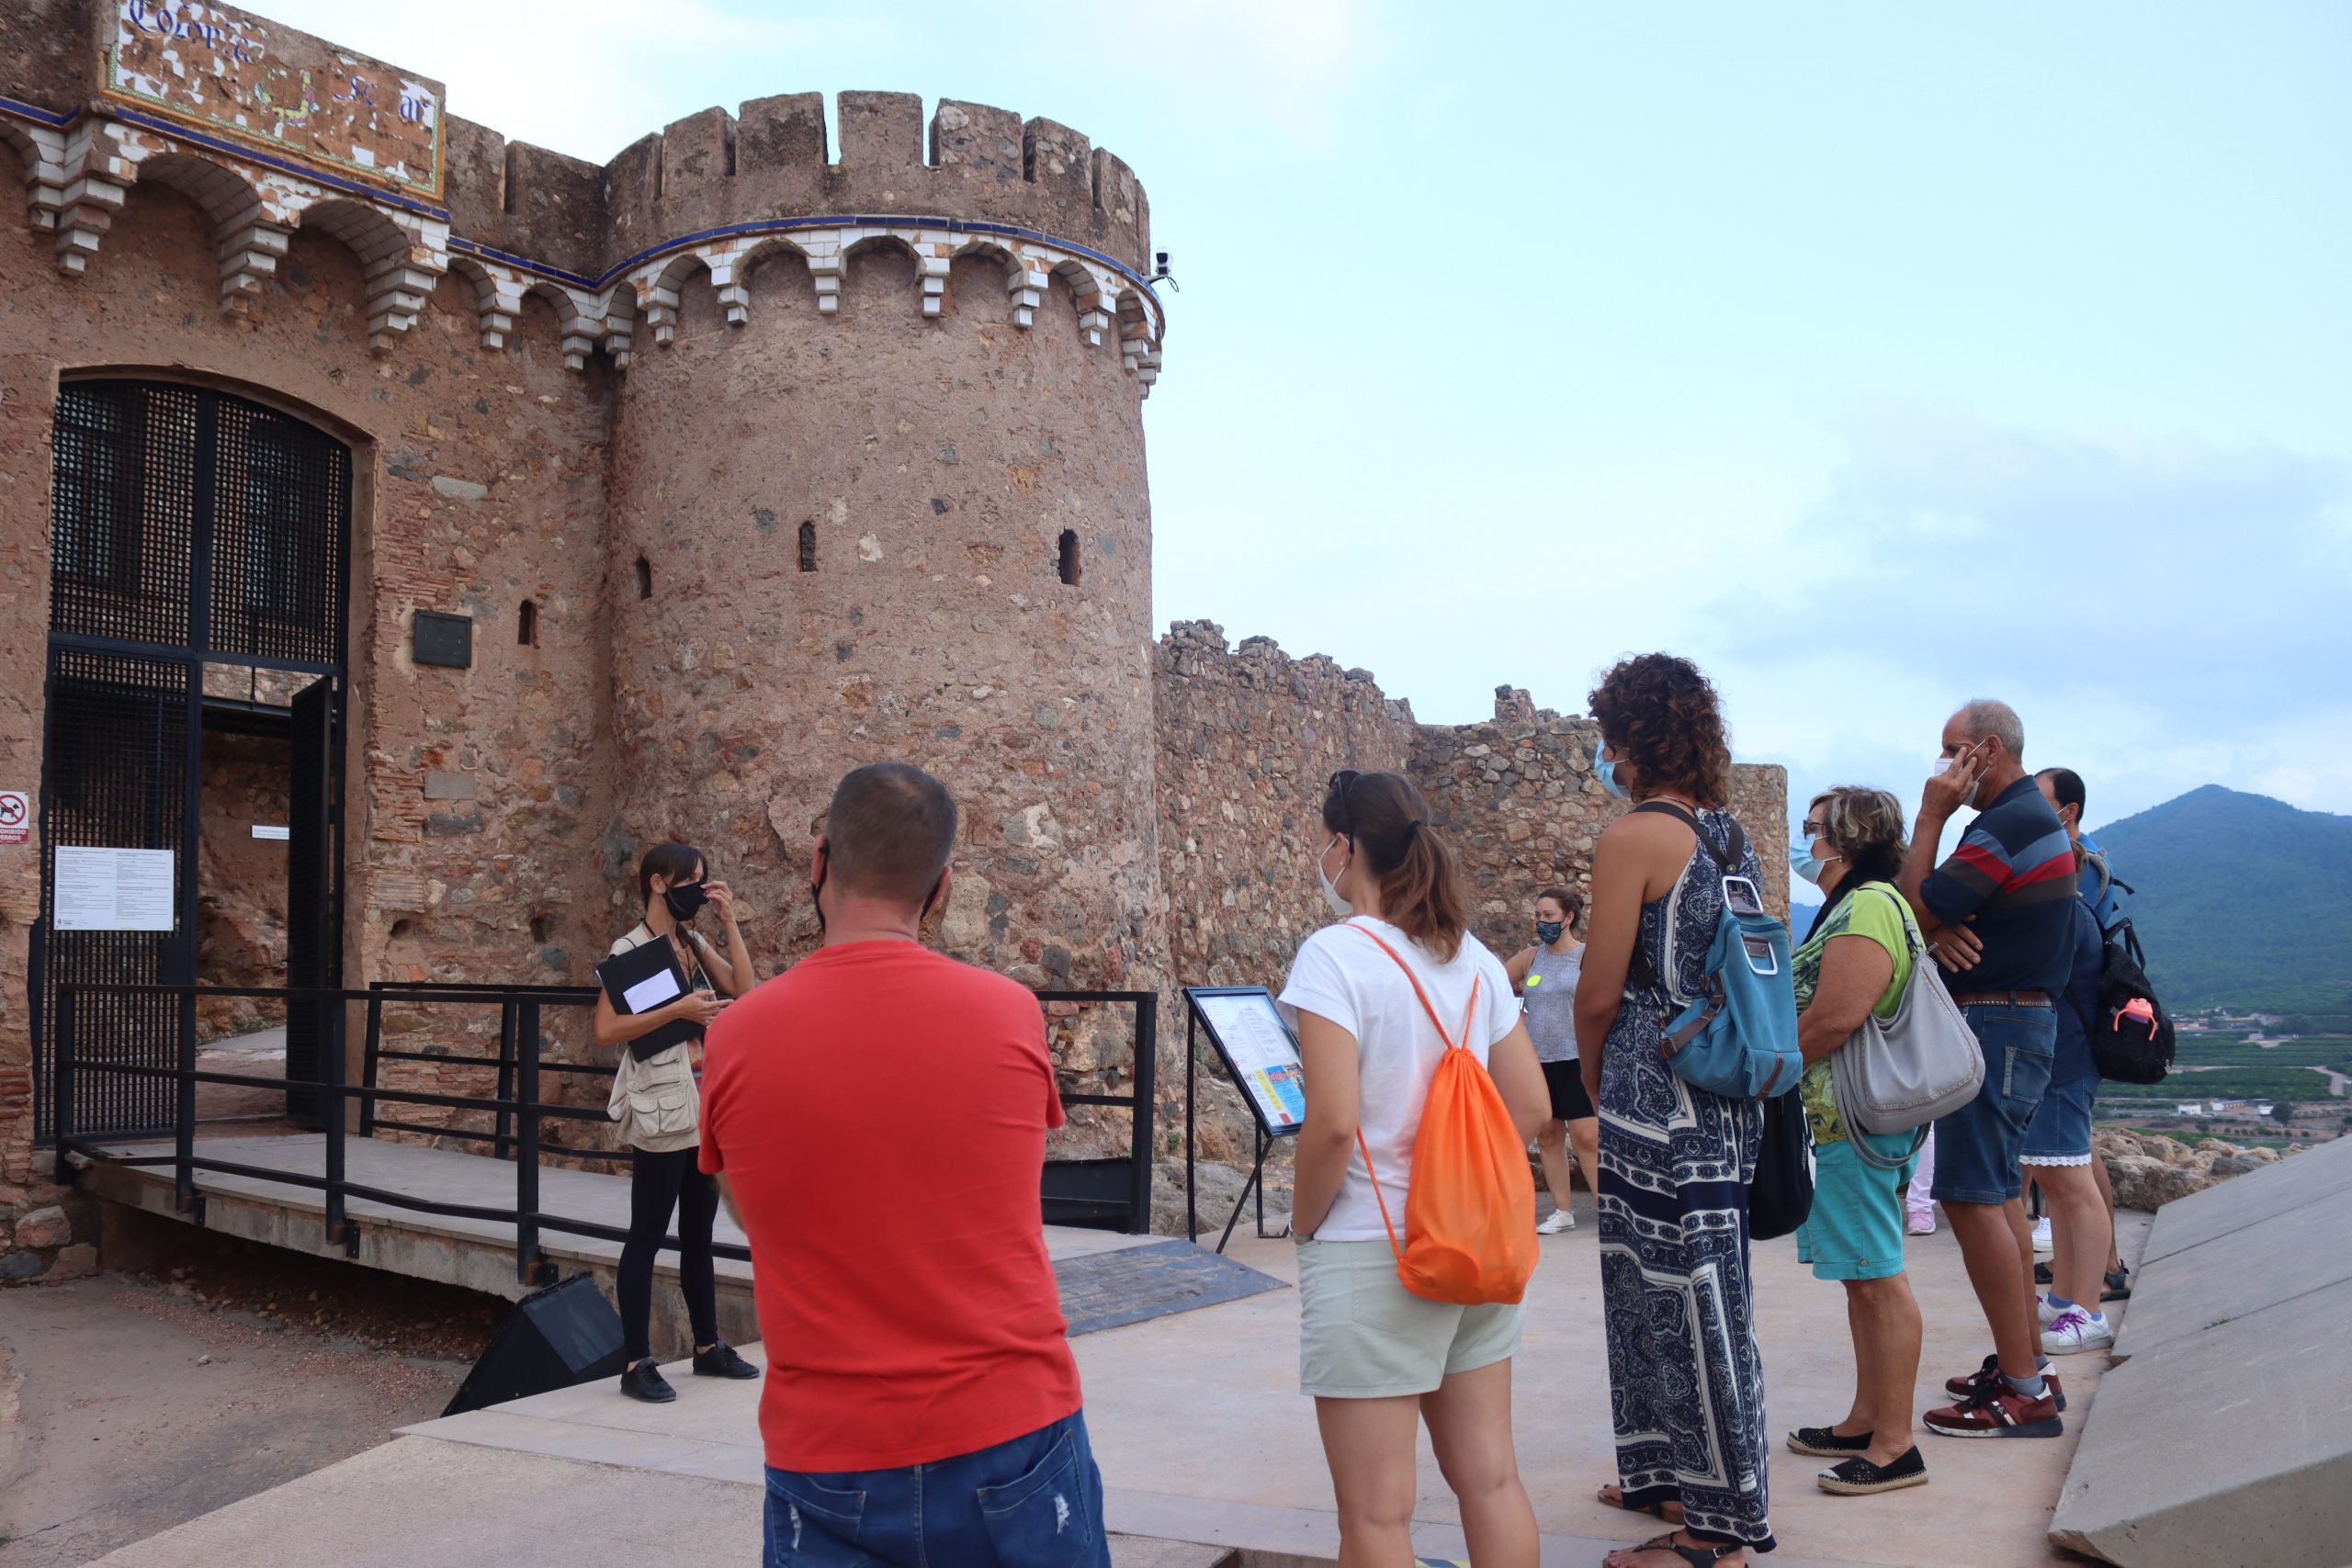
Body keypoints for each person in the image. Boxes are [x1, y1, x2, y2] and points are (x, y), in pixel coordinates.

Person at [698, 763, 1113, 1568]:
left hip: (830, 1448)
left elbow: (755, 1216)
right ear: (944, 887)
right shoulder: (1010, 1014)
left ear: (820, 860)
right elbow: (1000, 1198)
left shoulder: (737, 1037)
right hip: (1011, 1426)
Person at [1281, 769, 1550, 1568]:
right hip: (1470, 1242)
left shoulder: (1334, 955)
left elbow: (1331, 1124)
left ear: (1347, 846)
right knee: (1491, 1481)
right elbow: (1531, 1106)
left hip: (1374, 1247)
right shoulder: (1468, 957)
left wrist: (1302, 1223)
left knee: (1377, 1518)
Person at [1577, 654, 1774, 1566]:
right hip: (1725, 1099)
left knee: (1676, 1297)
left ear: (1631, 737)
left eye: (1608, 734)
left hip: (1652, 1095)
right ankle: (1661, 1471)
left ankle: (1718, 1531)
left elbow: (1598, 987)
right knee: (1676, 1286)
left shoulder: (1633, 838)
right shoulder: (1731, 837)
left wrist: (1592, 1077)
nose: (1603, 753)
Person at [1898, 700, 2077, 1439]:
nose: (1942, 766)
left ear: (1988, 749)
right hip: (2014, 1017)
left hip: (1995, 1019)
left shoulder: (2003, 824)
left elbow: (1912, 907)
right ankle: (2025, 1362)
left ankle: (2025, 1390)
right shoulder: (2024, 820)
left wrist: (1930, 816)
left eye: (1951, 751)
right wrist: (1940, 931)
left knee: (1972, 1199)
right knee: (1998, 1194)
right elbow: (1935, 921)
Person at [1784, 788, 1928, 1496]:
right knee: (1860, 1273)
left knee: (1878, 1275)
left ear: (1845, 840)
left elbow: (1837, 1014)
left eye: (1811, 830)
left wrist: (1771, 1072)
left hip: (1858, 1117)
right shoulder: (1855, 904)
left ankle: (1897, 1444)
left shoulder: (1869, 905)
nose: (1802, 840)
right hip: (1844, 1116)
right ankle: (1868, 1418)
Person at [594, 842, 760, 1403]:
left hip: (703, 1105)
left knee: (698, 1235)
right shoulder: (631, 949)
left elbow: (746, 989)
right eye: (690, 880)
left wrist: (730, 920)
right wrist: (680, 1011)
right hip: (662, 1106)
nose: (698, 887)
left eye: (703, 880)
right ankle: (635, 1362)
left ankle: (707, 1347)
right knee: (646, 1235)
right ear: (659, 883)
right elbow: (607, 1030)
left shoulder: (691, 942)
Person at [2036, 766, 2132, 1303]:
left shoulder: (2082, 873)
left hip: (2068, 1041)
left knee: (2073, 1162)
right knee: (2071, 1158)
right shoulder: (2086, 863)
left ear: (2067, 812)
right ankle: (2083, 1267)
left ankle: (2104, 1269)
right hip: (2069, 1040)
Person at [2023, 895, 2113, 1354]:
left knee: (2074, 1191)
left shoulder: (2065, 913)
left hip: (2065, 1061)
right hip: (2057, 1062)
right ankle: (2064, 1299)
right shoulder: (2070, 911)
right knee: (2058, 1190)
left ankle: (2090, 1311)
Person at [1507, 886, 1600, 1235]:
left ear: (1568, 917)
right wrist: (1514, 1021)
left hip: (1577, 1057)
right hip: (1538, 1060)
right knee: (1548, 1133)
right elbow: (1491, 987)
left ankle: (1609, 1210)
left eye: (1548, 916)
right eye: (1538, 916)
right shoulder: (1530, 958)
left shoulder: (1586, 957)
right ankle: (1563, 1212)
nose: (1542, 922)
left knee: (1587, 1136)